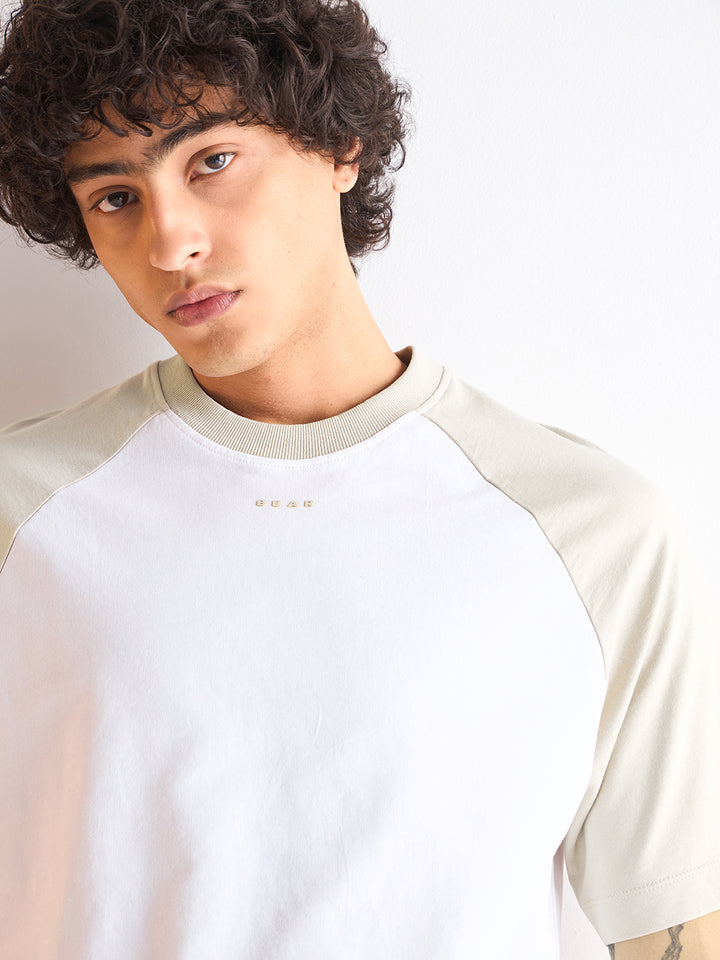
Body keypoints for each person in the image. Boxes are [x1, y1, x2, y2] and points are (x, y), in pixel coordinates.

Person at [0, 0, 718, 957]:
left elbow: (673, 930)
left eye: (213, 161)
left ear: (339, 143)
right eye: (115, 198)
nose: (171, 244)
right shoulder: (22, 514)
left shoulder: (591, 532)